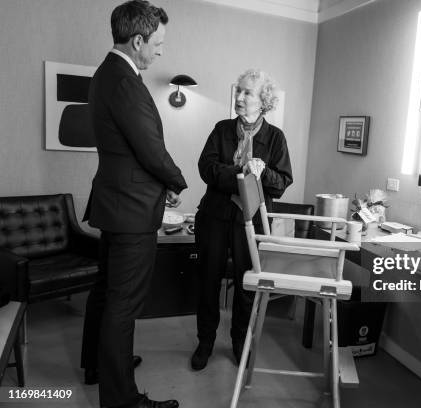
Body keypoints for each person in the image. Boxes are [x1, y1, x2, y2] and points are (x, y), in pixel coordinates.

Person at [80, 1, 187, 407]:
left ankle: (98, 364)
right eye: (157, 43)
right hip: (131, 210)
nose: (160, 51)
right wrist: (176, 182)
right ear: (138, 39)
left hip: (114, 203)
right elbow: (150, 149)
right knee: (122, 306)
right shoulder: (125, 82)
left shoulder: (105, 74)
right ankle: (121, 399)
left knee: (107, 293)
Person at [191, 69, 293, 370]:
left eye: (247, 92)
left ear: (262, 100)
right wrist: (240, 173)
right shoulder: (221, 129)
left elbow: (283, 181)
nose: (239, 97)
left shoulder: (275, 138)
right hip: (214, 217)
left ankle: (239, 342)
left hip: (251, 222)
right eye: (239, 91)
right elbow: (205, 168)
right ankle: (205, 342)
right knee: (208, 281)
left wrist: (262, 172)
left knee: (246, 285)